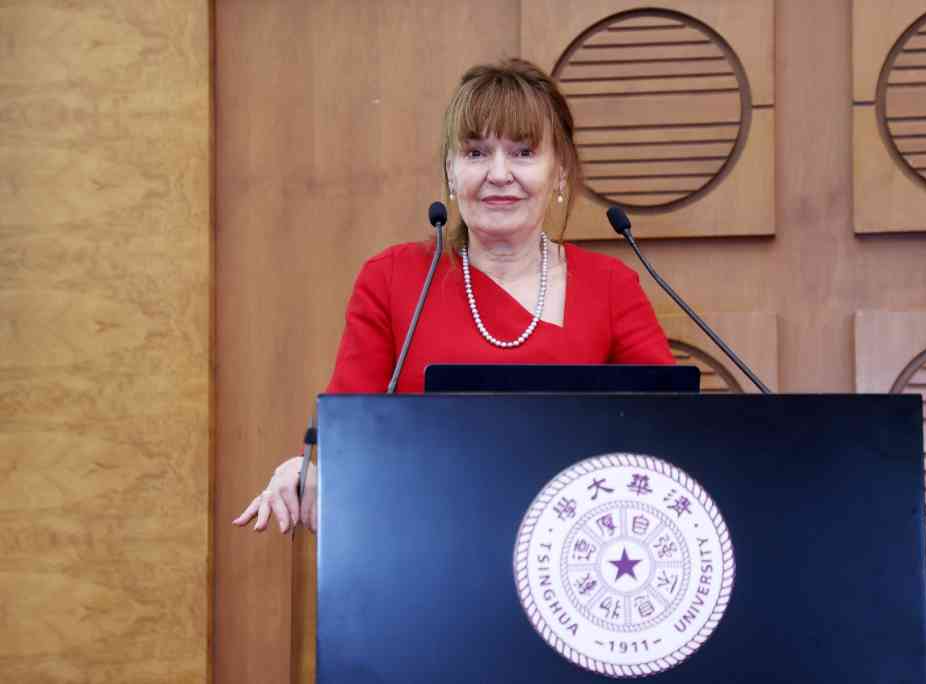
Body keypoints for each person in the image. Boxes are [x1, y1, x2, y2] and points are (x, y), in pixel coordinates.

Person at [233, 58, 674, 535]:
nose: (499, 174)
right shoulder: (393, 279)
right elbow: (347, 435)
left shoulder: (611, 286)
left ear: (561, 171)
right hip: (422, 544)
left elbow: (672, 434)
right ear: (451, 168)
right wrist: (309, 472)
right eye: (477, 153)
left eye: (523, 152)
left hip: (571, 551)